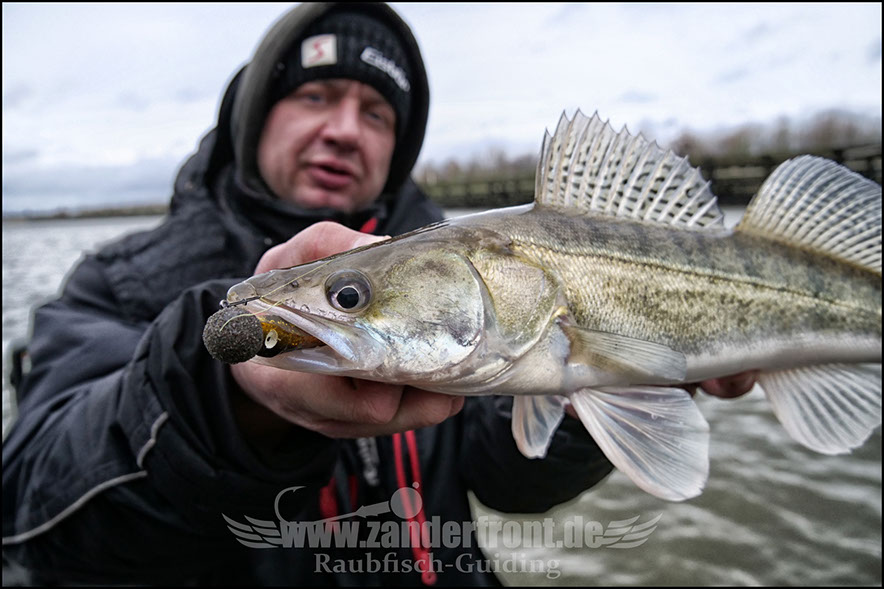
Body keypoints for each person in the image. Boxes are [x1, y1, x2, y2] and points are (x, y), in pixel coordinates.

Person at [1, 3, 755, 586]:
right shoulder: (117, 280)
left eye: (377, 113)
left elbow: (506, 474)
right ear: (253, 116)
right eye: (316, 96)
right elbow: (32, 508)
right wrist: (223, 406)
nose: (343, 130)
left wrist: (611, 384)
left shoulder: (470, 274)